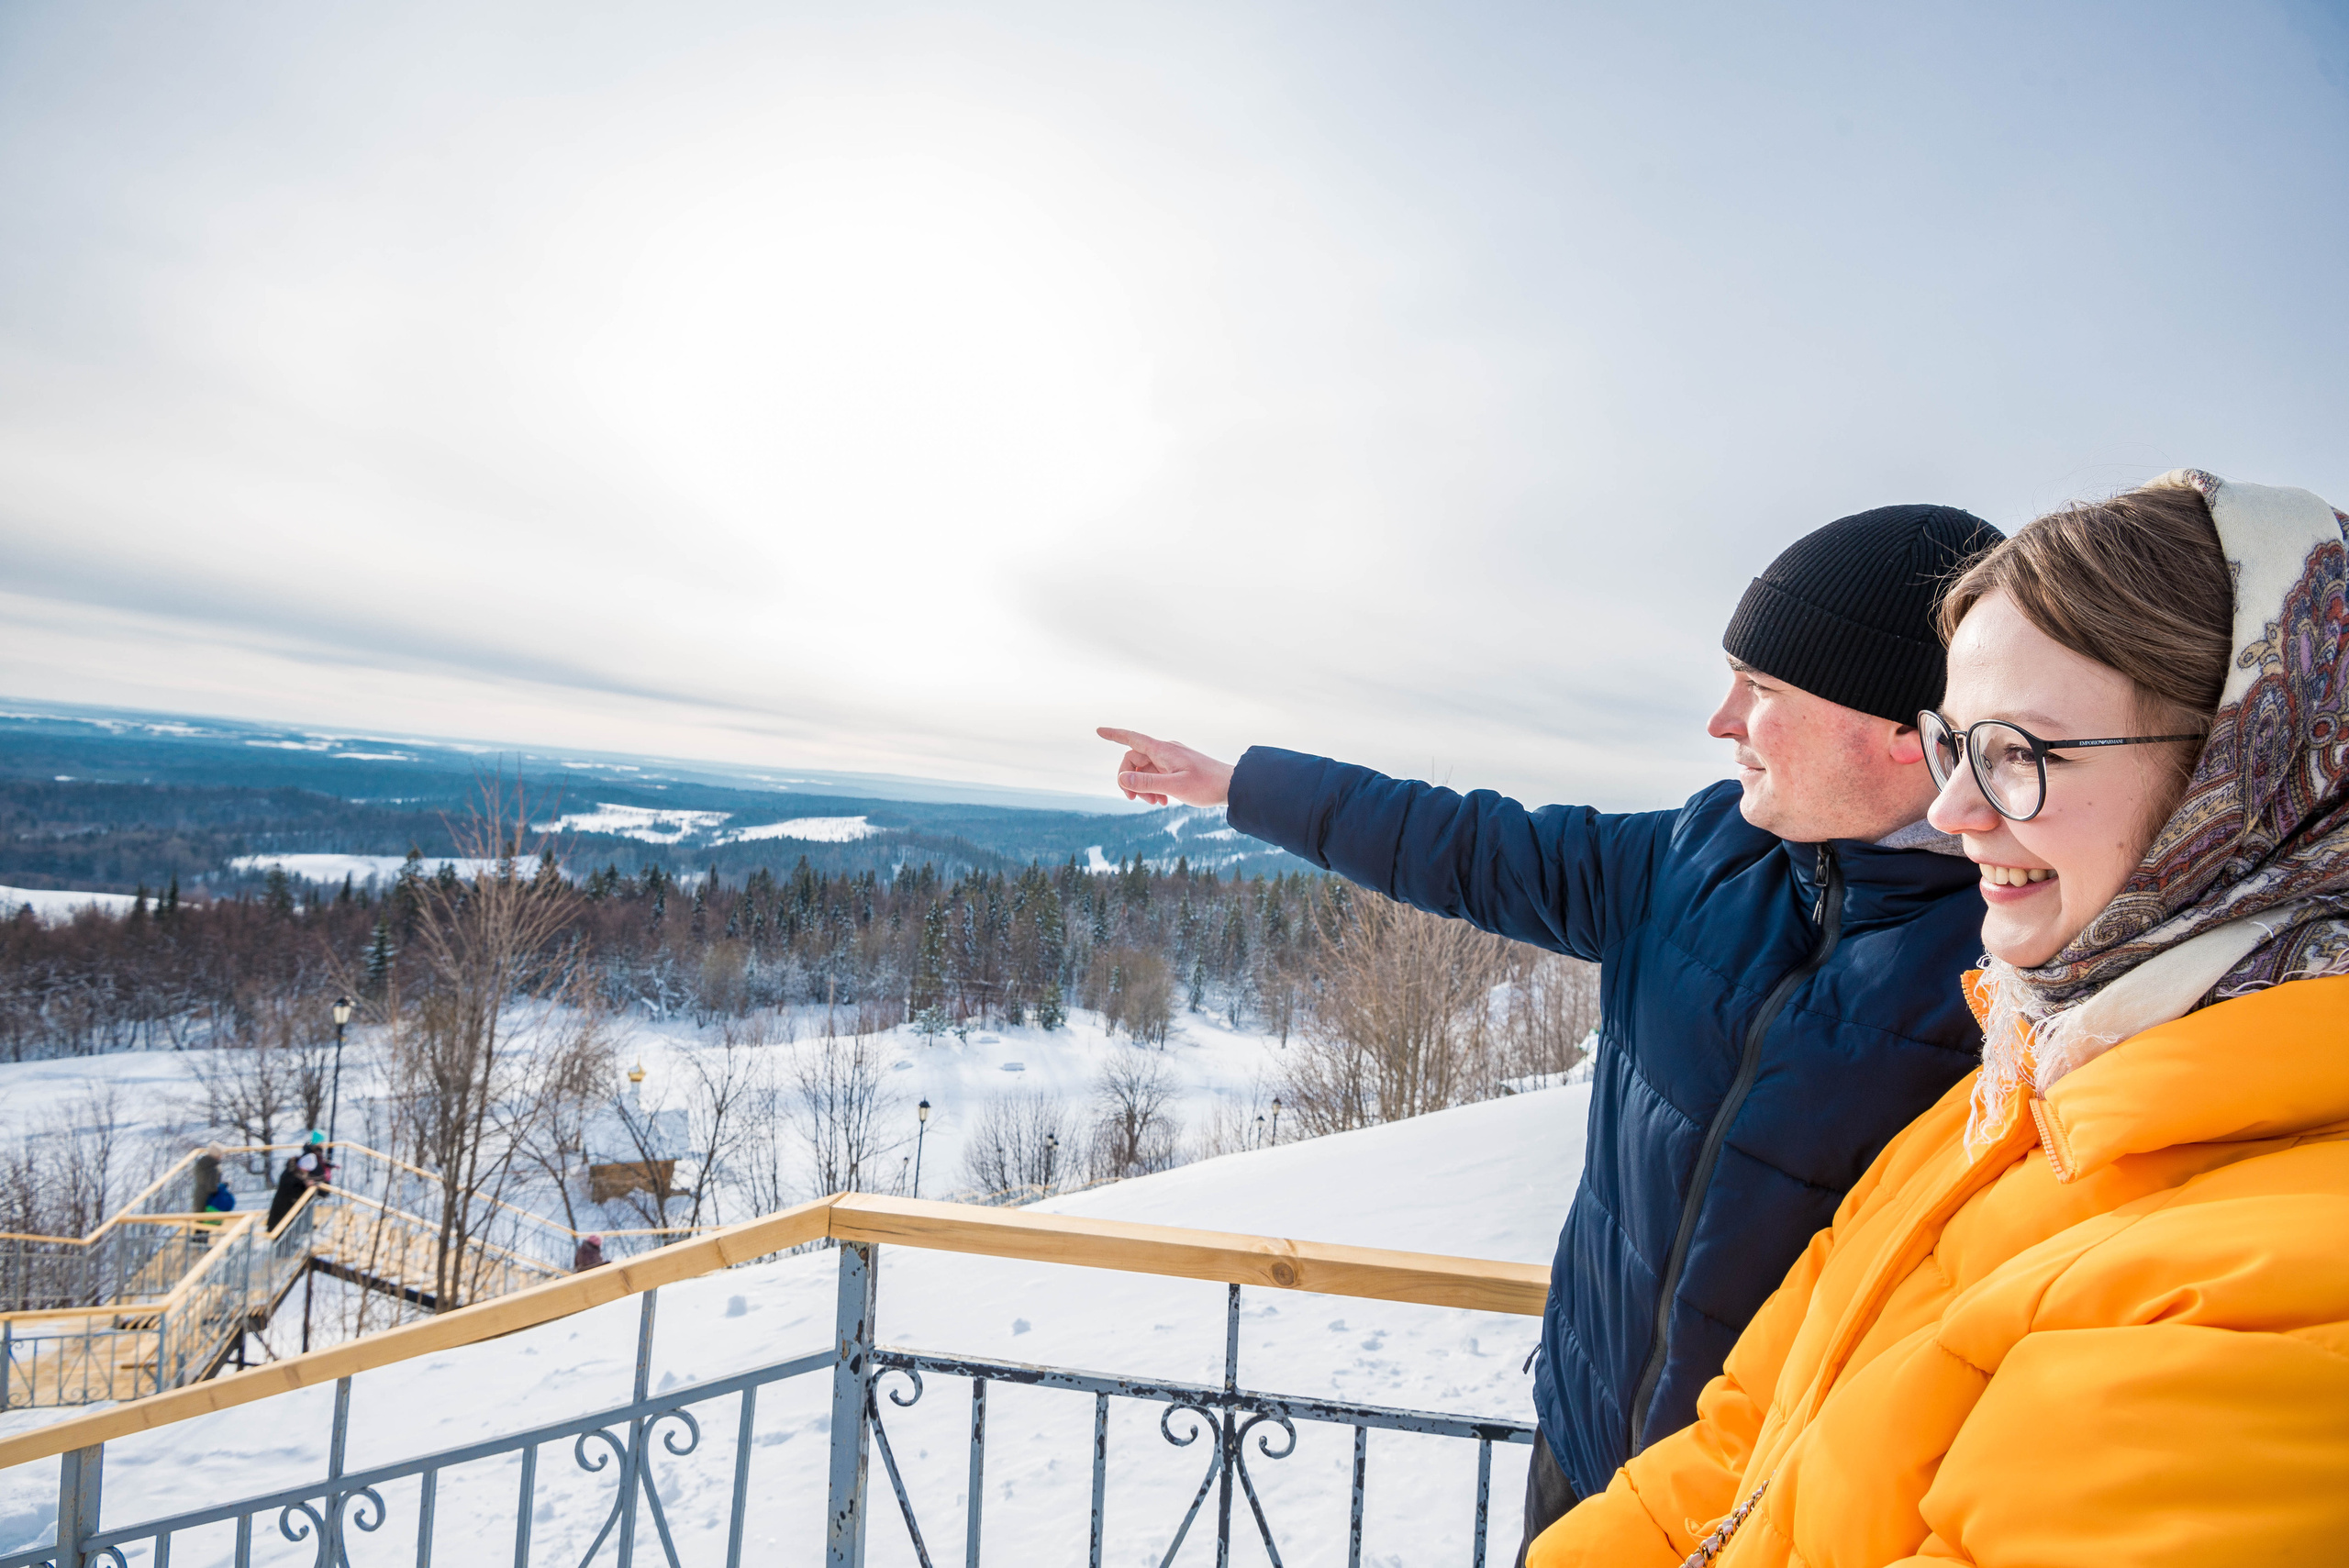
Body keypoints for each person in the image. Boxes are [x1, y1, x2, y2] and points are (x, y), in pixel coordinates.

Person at [1103, 502, 2002, 1557]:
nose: (1720, 721)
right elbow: (1464, 844)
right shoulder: (1694, 856)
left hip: (1789, 1514)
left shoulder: (2019, 978)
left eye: (1760, 689)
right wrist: (1238, 785)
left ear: (1905, 731)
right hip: (1583, 1456)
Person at [1530, 470, 2349, 1564]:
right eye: (1956, 743)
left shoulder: (2281, 1302)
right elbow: (1746, 1439)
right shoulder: (2011, 1100)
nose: (1956, 809)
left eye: (2020, 752)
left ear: (2248, 773)